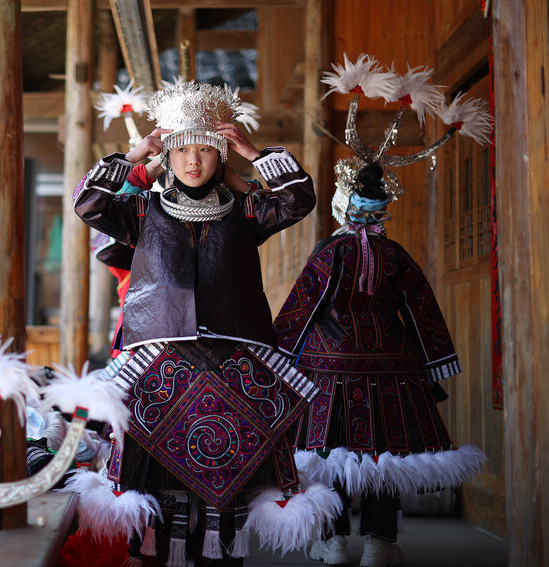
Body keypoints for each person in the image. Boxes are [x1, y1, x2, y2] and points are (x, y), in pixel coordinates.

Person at [72, 81, 337, 566]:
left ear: (221, 156)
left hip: (232, 357)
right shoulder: (143, 210)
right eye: (182, 150)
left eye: (205, 151)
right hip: (159, 357)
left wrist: (251, 154)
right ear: (168, 156)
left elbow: (297, 200)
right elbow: (88, 202)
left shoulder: (247, 211)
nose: (193, 161)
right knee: (155, 473)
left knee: (227, 466)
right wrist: (137, 158)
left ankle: (221, 556)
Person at [273, 161, 486, 567]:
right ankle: (379, 543)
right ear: (382, 211)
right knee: (384, 455)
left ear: (343, 208)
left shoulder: (329, 253)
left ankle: (333, 542)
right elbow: (421, 308)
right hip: (391, 367)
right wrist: (437, 359)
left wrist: (277, 356)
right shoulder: (395, 255)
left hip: (330, 366)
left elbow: (302, 306)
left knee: (327, 455)